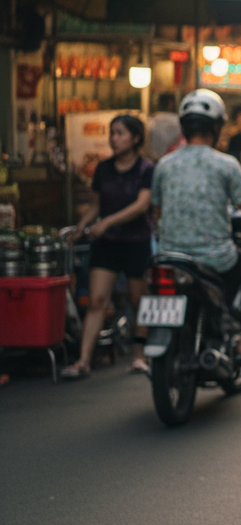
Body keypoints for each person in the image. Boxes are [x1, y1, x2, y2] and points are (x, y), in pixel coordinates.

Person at [151, 89, 241, 364]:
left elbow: (156, 211)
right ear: (217, 127)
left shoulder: (164, 165)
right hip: (215, 258)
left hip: (170, 257)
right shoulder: (226, 164)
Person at [61, 115, 154, 379]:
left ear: (135, 139)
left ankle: (139, 356)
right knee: (97, 301)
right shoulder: (103, 169)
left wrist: (107, 223)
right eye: (112, 133)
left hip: (137, 242)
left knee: (139, 301)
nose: (114, 138)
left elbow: (142, 206)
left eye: (120, 133)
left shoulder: (146, 169)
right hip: (108, 245)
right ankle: (83, 360)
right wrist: (82, 226)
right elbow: (97, 206)